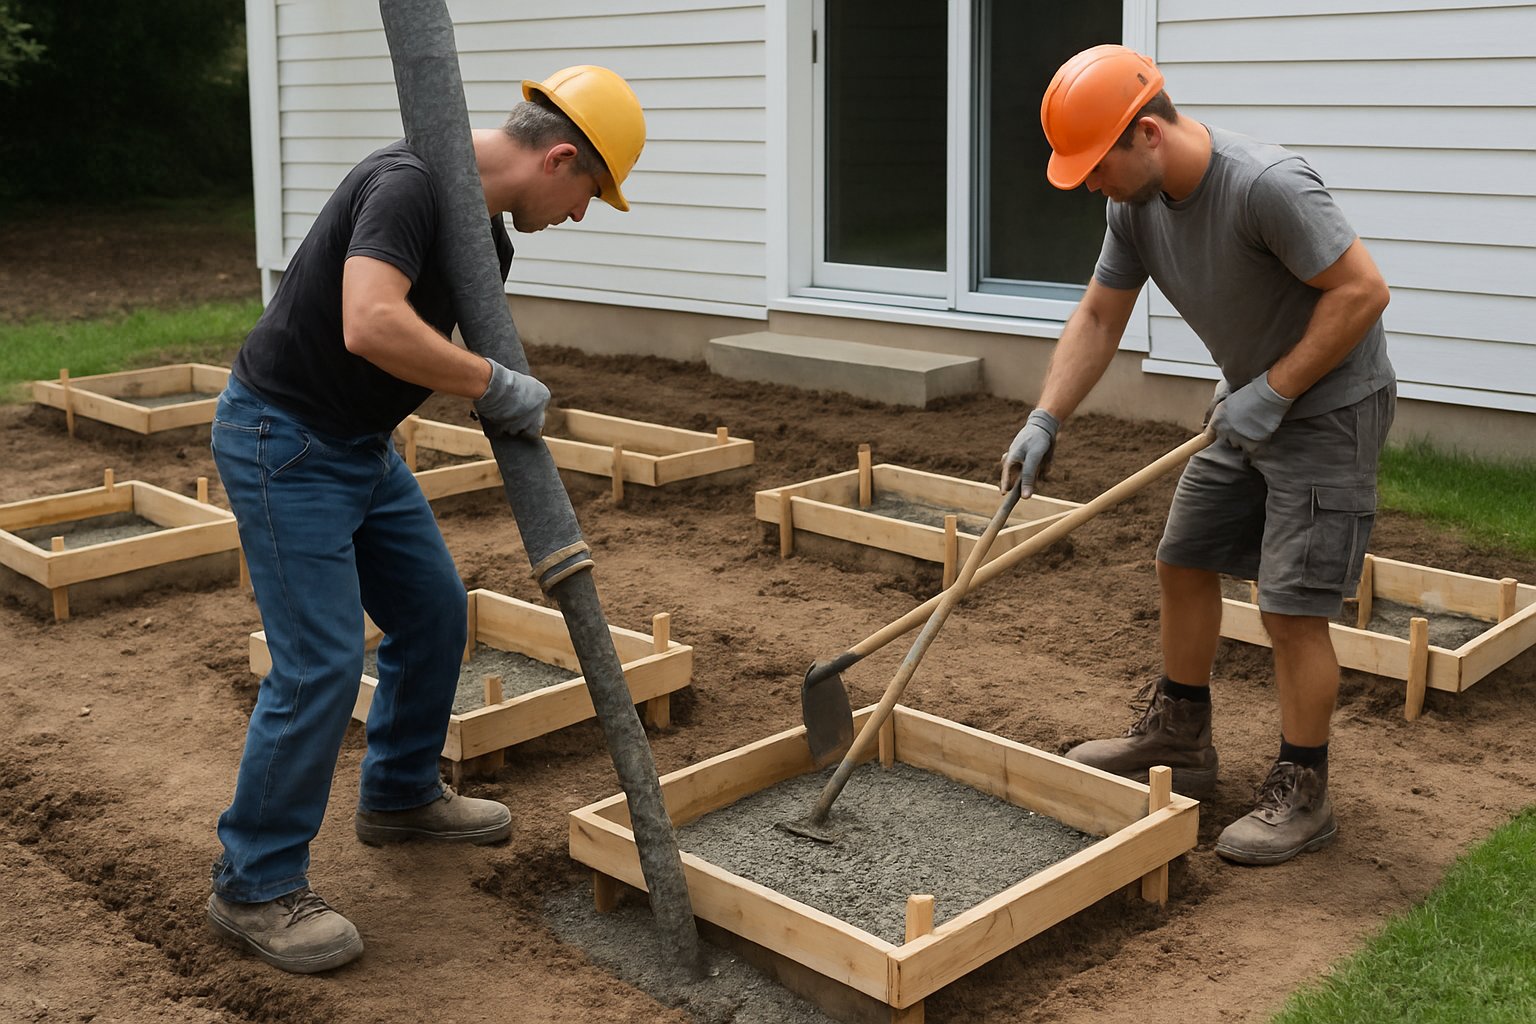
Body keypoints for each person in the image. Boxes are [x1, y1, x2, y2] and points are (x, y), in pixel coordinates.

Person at [204, 65, 646, 972]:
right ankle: (252, 883)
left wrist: (493, 388)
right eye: (590, 193)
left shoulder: (487, 239)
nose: (582, 214)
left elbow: (429, 352)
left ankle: (400, 796)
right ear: (558, 157)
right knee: (320, 662)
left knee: (435, 614)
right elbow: (370, 322)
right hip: (281, 439)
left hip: (358, 447)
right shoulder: (408, 185)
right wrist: (491, 380)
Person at [1002, 45, 1393, 866]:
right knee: (1183, 560)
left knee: (1290, 608)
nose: (1088, 187)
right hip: (1245, 405)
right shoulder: (1132, 209)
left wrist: (1277, 390)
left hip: (1328, 410)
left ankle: (1304, 789)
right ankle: (1180, 737)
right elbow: (1101, 318)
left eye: (1095, 167)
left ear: (1145, 133)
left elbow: (1362, 291)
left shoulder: (1266, 187)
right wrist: (1045, 416)